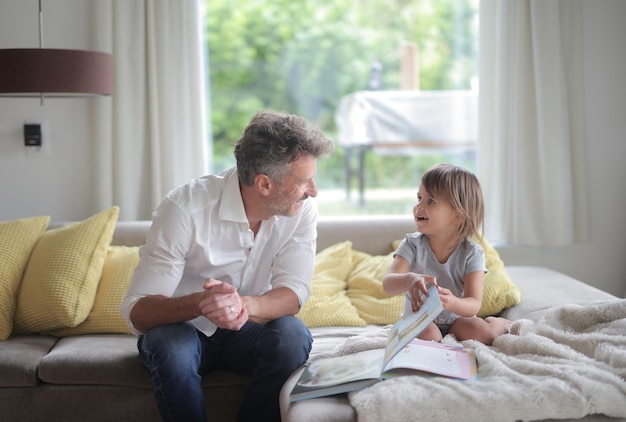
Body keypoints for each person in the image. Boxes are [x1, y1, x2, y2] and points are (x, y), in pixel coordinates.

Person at [120, 110, 335, 422]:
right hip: (183, 331)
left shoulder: (301, 210)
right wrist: (203, 303)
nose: (313, 191)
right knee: (171, 346)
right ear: (264, 184)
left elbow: (294, 290)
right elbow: (138, 312)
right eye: (304, 181)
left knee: (292, 334)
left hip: (247, 332)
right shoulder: (183, 208)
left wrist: (242, 305)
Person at [382, 163, 510, 346]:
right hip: (421, 319)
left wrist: (452, 302)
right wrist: (409, 279)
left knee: (484, 334)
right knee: (430, 337)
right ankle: (402, 328)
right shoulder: (412, 244)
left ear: (458, 215)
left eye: (430, 201)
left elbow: (473, 303)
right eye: (419, 198)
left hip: (457, 320)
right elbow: (388, 284)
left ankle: (498, 324)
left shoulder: (472, 253)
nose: (418, 206)